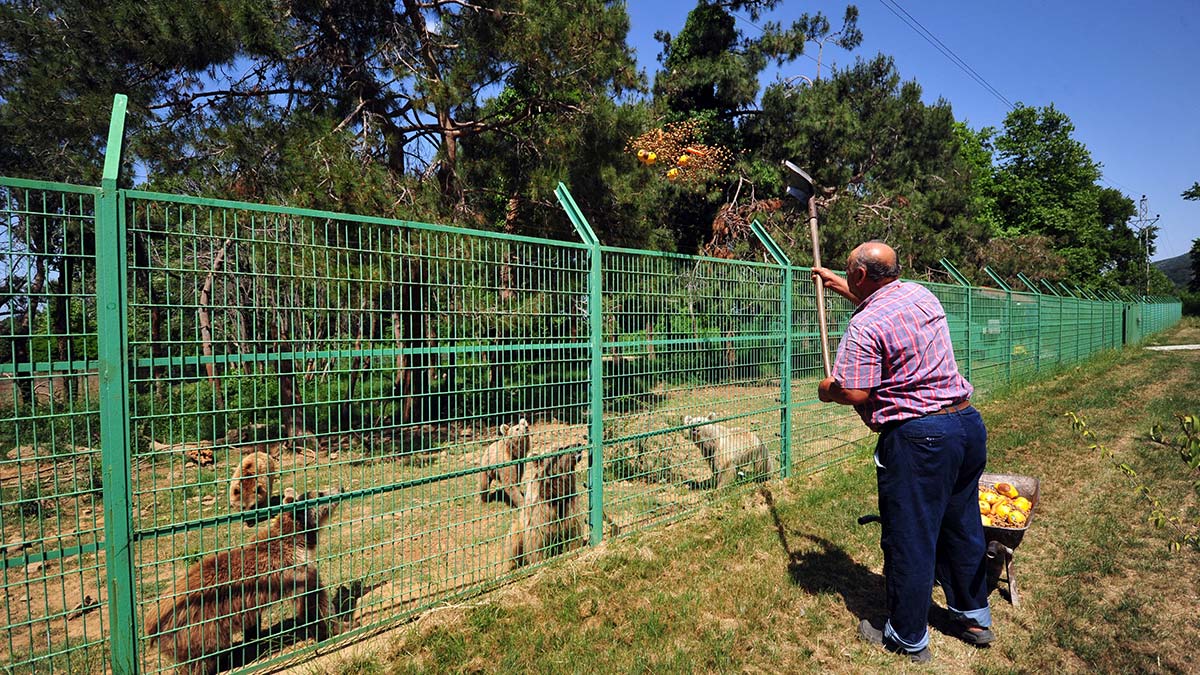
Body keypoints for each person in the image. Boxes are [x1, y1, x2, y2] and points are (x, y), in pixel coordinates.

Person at [812, 241, 993, 663]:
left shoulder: (865, 324)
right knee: (961, 524)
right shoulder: (920, 294)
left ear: (861, 275)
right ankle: (973, 616)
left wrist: (826, 391)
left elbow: (855, 390)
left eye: (848, 272)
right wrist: (835, 282)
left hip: (920, 439)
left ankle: (907, 637)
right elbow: (878, 298)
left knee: (910, 535)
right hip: (965, 426)